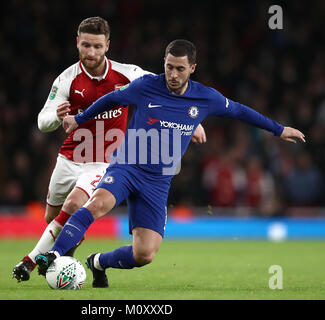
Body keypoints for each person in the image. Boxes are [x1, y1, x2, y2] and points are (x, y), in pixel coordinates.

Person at [34, 39, 305, 288]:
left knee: (144, 254)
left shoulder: (205, 98)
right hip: (127, 166)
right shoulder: (145, 86)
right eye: (169, 67)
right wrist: (79, 120)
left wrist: (278, 129)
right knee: (97, 204)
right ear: (163, 63)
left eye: (180, 69)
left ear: (193, 68)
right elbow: (112, 99)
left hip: (158, 180)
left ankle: (97, 262)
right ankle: (54, 255)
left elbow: (238, 110)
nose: (173, 75)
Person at [12, 19, 207, 282]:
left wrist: (194, 119)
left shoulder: (128, 73)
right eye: (85, 45)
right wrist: (56, 118)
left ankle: (35, 262)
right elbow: (42, 121)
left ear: (107, 46)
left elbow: (169, 88)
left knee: (74, 205)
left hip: (104, 161)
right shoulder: (67, 79)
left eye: (96, 46)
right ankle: (65, 259)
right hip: (70, 156)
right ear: (77, 43)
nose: (91, 52)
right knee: (52, 218)